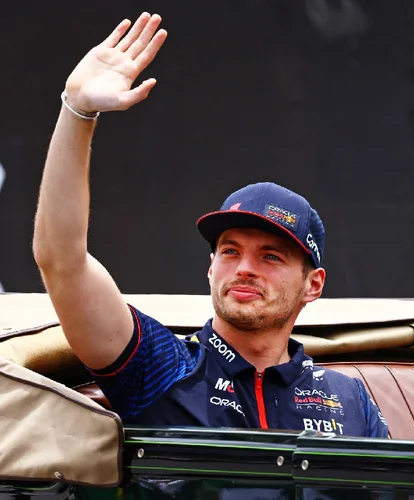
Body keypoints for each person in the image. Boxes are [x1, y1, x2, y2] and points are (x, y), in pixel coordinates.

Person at [32, 12, 388, 437]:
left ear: (313, 284)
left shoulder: (349, 399)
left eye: (270, 256)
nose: (244, 268)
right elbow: (61, 259)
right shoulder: (162, 365)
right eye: (230, 251)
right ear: (210, 266)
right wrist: (77, 111)